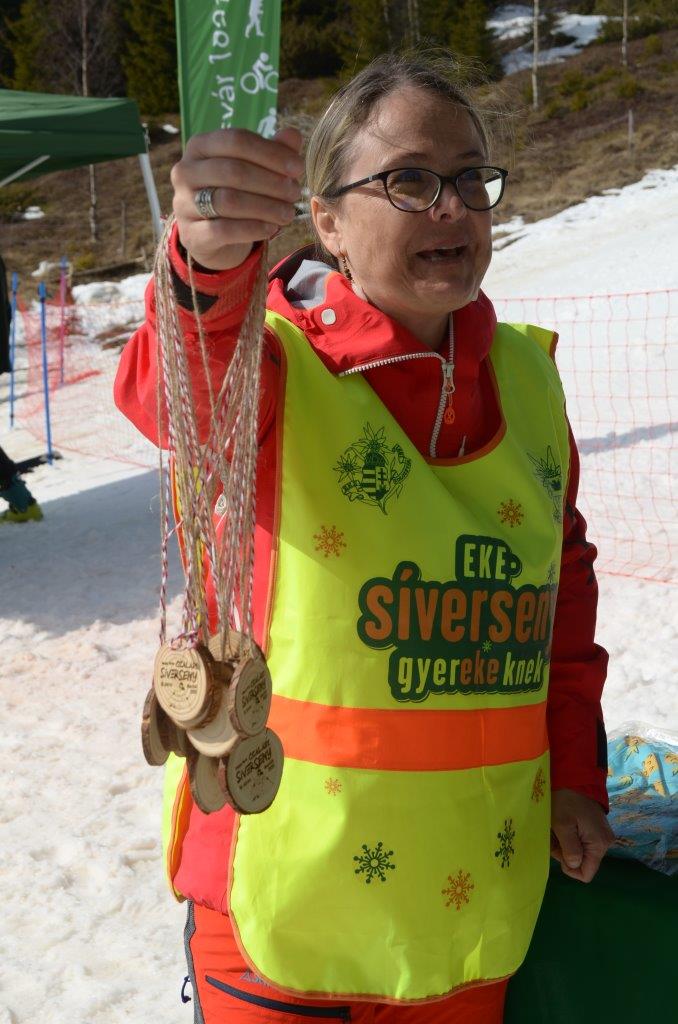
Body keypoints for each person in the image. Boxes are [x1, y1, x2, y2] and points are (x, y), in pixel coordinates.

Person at [115, 52, 614, 1024]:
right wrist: (205, 263)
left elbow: (563, 610)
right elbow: (174, 393)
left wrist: (574, 779)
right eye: (410, 180)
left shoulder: (527, 381)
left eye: (469, 178)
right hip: (284, 904)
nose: (452, 206)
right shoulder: (274, 359)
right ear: (328, 220)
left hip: (469, 904)